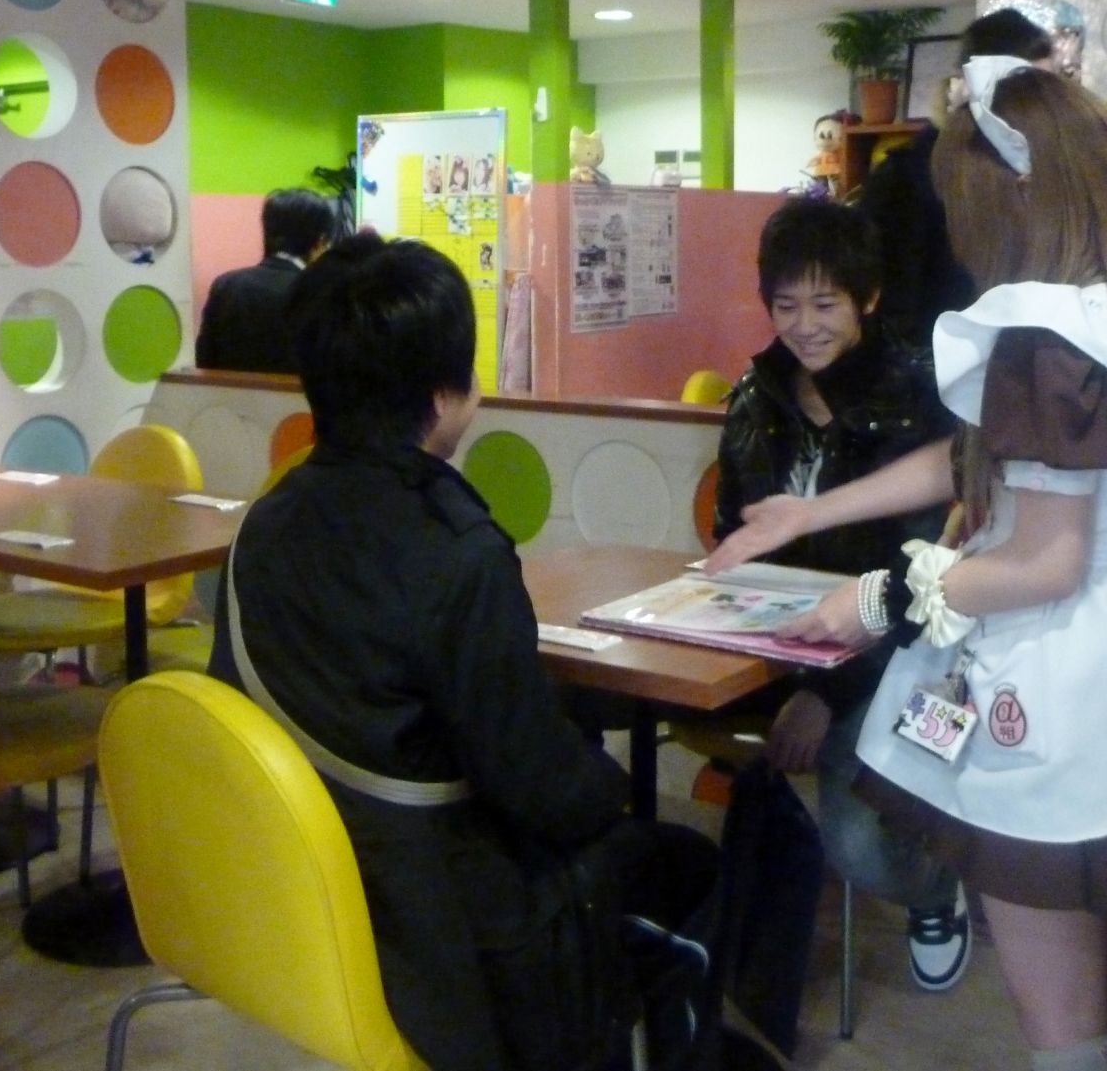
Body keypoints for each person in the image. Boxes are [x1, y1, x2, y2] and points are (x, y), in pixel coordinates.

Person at [711, 60, 1107, 1071]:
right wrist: (816, 509)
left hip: (1063, 672)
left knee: (1058, 1015)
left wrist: (873, 600)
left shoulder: (1048, 330)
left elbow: (1047, 559)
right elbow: (982, 455)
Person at [210, 234, 723, 1071]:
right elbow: (539, 786)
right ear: (445, 394)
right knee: (680, 859)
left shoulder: (267, 520)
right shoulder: (454, 550)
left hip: (299, 891)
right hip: (441, 917)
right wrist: (613, 782)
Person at [711, 197, 971, 993]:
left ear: (868, 297)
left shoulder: (921, 392)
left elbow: (924, 577)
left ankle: (935, 885)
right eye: (786, 305)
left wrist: (826, 691)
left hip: (900, 658)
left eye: (825, 303)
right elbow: (736, 537)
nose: (804, 325)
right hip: (780, 650)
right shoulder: (757, 397)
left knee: (857, 843)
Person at [857, 7, 1053, 352]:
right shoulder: (909, 176)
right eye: (1028, 87)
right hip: (938, 377)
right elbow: (892, 306)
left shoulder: (1049, 172)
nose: (1046, 104)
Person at [194, 187, 338, 373]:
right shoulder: (325, 293)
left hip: (229, 400)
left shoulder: (225, 285)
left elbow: (205, 359)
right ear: (320, 241)